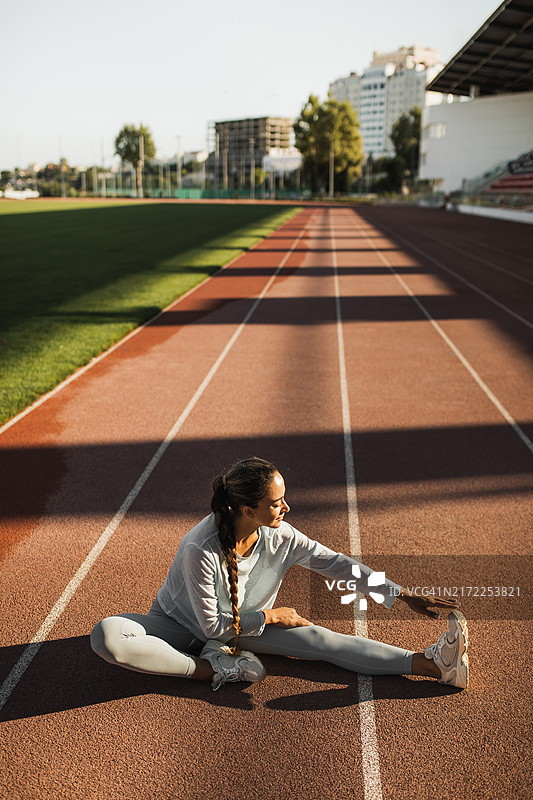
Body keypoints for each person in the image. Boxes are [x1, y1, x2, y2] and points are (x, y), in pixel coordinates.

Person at [90, 457, 469, 691]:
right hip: (178, 624)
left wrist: (399, 593)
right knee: (107, 636)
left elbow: (335, 563)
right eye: (276, 502)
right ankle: (209, 670)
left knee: (321, 641)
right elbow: (211, 628)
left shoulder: (281, 536)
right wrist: (272, 615)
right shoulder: (199, 548)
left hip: (244, 629)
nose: (286, 507)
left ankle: (434, 665)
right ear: (246, 509)